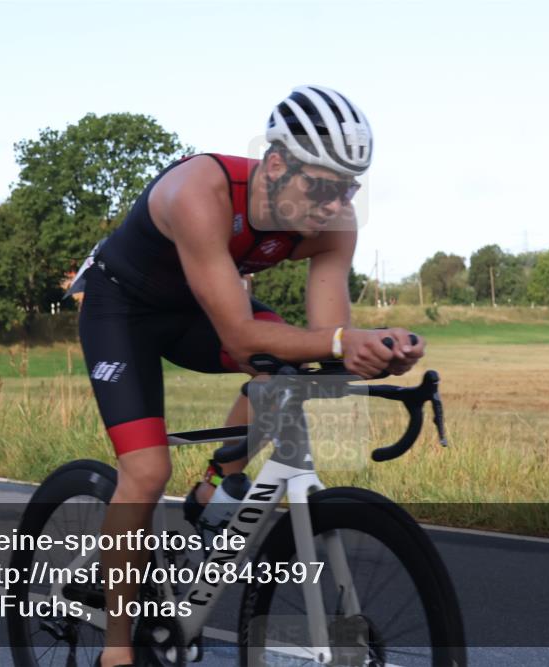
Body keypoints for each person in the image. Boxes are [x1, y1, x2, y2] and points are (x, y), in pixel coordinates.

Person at [73, 84, 426, 667]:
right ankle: (116, 649)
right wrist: (341, 342)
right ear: (277, 162)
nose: (334, 204)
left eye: (348, 188)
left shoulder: (333, 222)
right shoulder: (200, 191)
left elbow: (327, 339)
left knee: (287, 372)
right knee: (145, 469)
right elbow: (239, 336)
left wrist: (378, 349)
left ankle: (217, 485)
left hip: (195, 310)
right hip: (122, 311)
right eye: (320, 185)